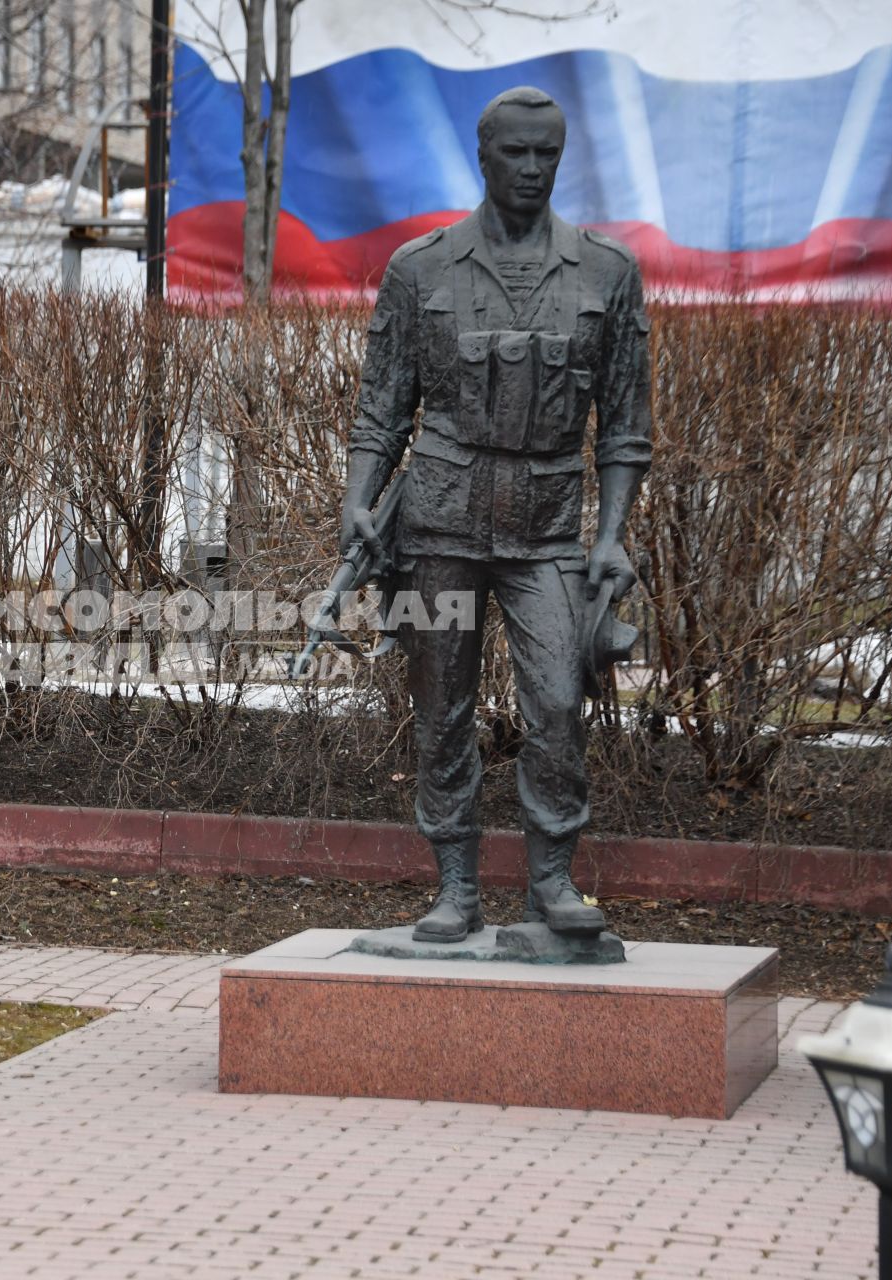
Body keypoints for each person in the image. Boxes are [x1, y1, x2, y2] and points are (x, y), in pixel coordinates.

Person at [342, 86, 653, 943]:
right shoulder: (421, 268)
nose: (529, 168)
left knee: (557, 702)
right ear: (483, 157)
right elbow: (382, 408)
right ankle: (455, 887)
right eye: (514, 153)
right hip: (439, 516)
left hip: (548, 522)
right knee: (441, 706)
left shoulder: (606, 272)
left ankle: (552, 881)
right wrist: (358, 505)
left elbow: (626, 428)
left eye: (545, 153)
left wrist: (611, 534)